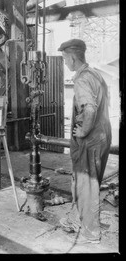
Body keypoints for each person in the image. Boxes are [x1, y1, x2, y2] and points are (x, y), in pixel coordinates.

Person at [58, 39, 112, 244]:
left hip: (90, 141)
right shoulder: (95, 74)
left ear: (72, 57)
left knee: (86, 185)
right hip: (103, 137)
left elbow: (89, 108)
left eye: (64, 59)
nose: (65, 63)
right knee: (89, 183)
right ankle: (77, 219)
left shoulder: (81, 80)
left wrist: (82, 131)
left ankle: (91, 232)